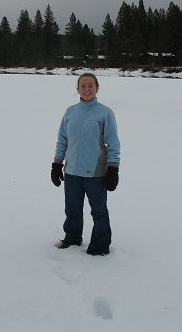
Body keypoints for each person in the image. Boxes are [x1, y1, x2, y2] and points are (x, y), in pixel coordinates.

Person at [51, 72, 121, 255]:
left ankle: (100, 245)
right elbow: (62, 140)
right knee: (72, 210)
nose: (87, 89)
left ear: (97, 88)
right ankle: (72, 238)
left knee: (98, 211)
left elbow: (113, 144)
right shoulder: (70, 112)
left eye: (91, 85)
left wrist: (113, 169)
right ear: (78, 89)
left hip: (95, 173)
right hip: (72, 172)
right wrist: (57, 164)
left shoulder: (105, 113)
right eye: (83, 85)